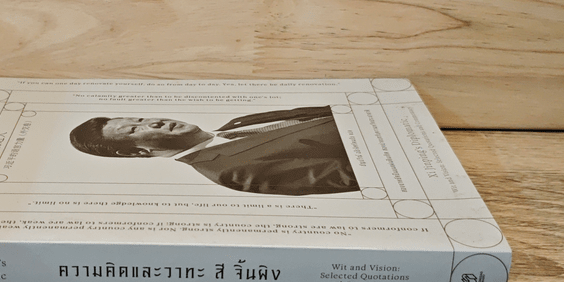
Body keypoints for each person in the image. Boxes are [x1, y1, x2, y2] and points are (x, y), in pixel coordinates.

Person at [69, 106, 359, 196]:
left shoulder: (239, 122)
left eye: (140, 118)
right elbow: (352, 176)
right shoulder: (227, 170)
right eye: (133, 130)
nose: (153, 121)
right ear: (137, 153)